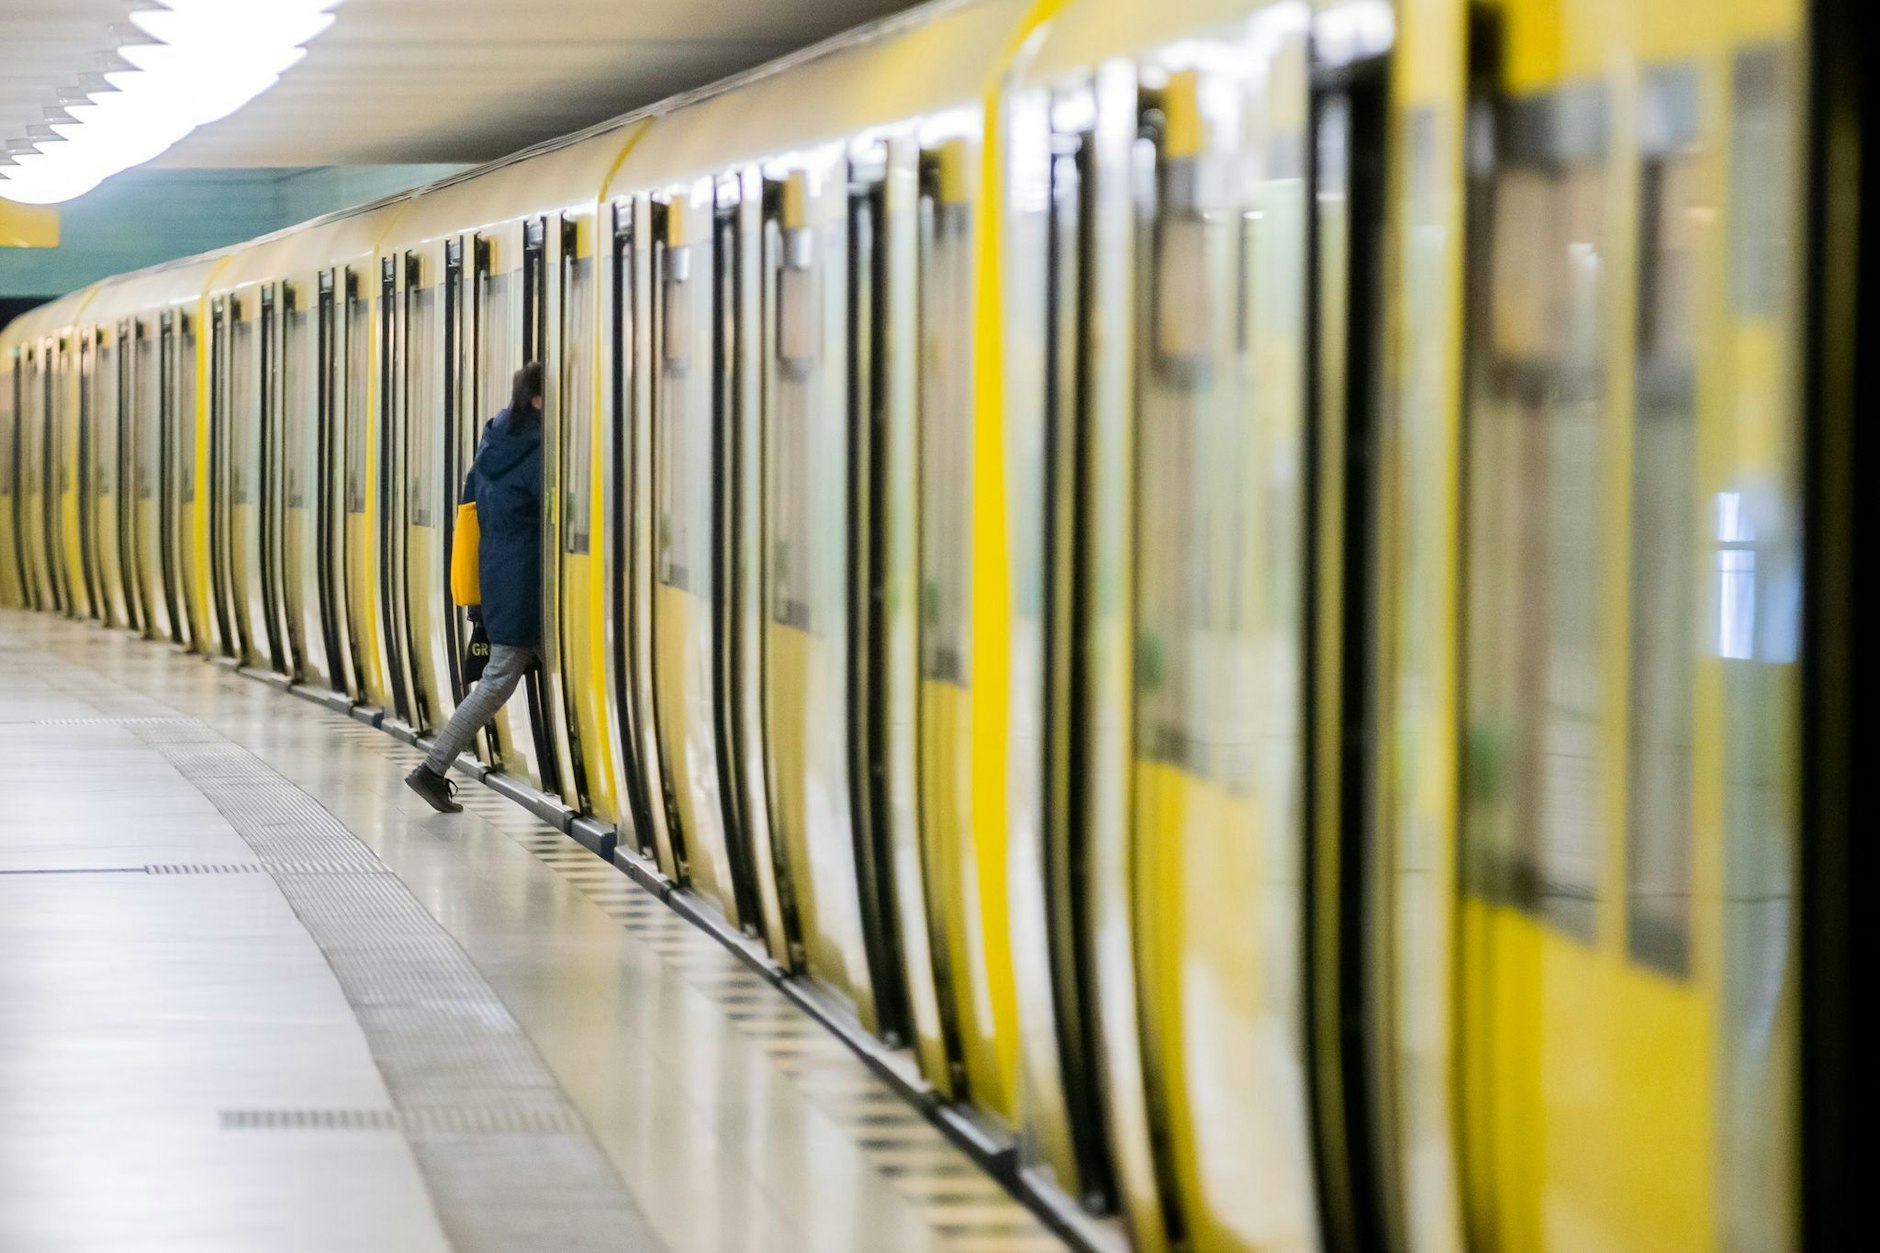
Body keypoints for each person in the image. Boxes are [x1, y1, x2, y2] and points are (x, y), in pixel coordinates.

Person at [405, 362, 544, 813]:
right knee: (496, 680)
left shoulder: (495, 443)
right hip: (525, 583)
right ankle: (432, 768)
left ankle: (433, 769)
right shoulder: (539, 451)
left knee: (497, 679)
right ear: (539, 400)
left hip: (500, 576)